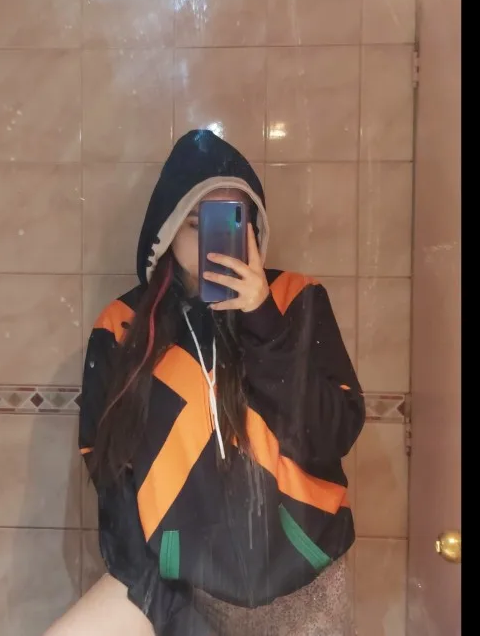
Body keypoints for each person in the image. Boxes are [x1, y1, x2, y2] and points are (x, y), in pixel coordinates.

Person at [45, 129, 365, 636]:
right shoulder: (123, 325)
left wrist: (263, 320)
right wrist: (158, 592)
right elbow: (107, 468)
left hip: (306, 587)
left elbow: (332, 433)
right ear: (167, 229)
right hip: (177, 587)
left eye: (229, 222)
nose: (212, 240)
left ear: (253, 227)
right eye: (195, 223)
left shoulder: (296, 299)